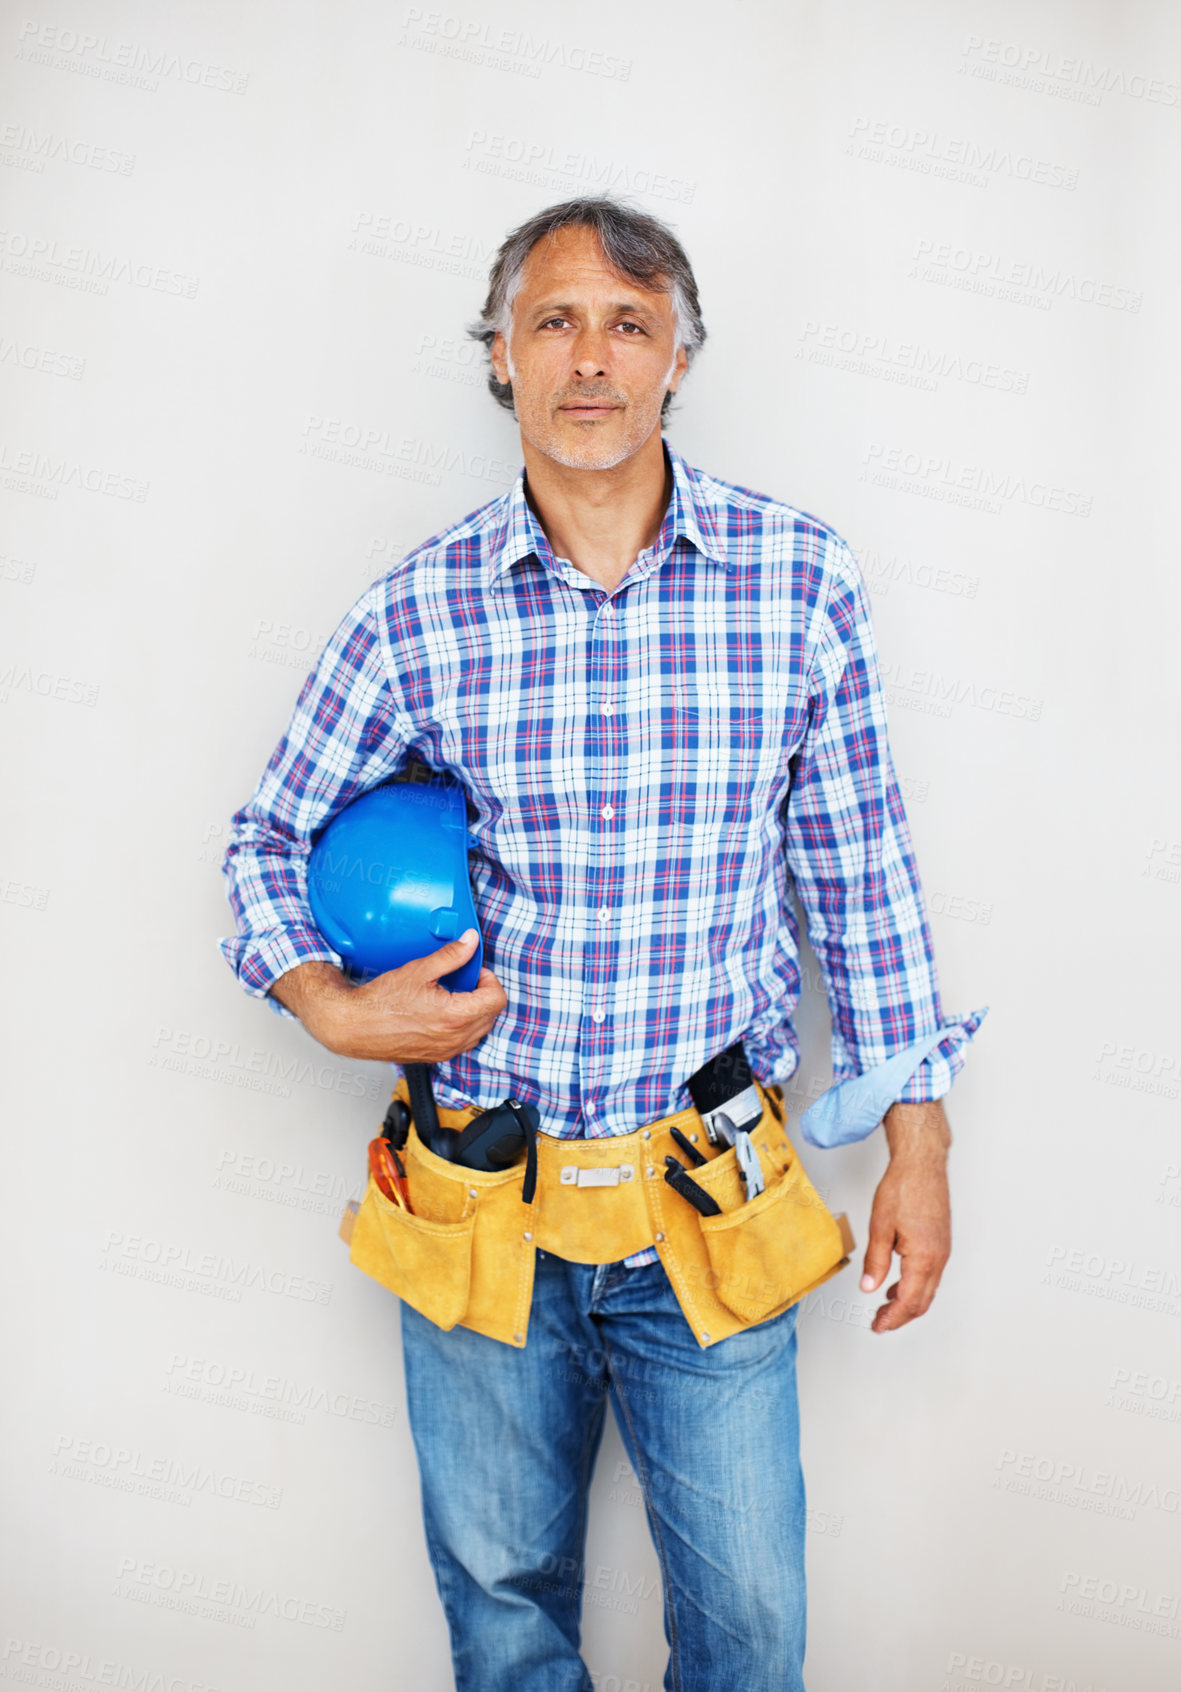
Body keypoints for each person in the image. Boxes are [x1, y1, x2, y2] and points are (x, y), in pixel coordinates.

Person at [220, 196, 983, 1692]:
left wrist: (919, 1143)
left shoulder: (796, 582)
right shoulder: (415, 615)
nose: (590, 359)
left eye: (628, 323)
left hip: (709, 1186)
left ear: (679, 360)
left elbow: (859, 870)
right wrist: (322, 1002)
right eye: (553, 321)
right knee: (503, 1614)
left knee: (750, 1628)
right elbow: (262, 841)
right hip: (476, 1194)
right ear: (498, 359)